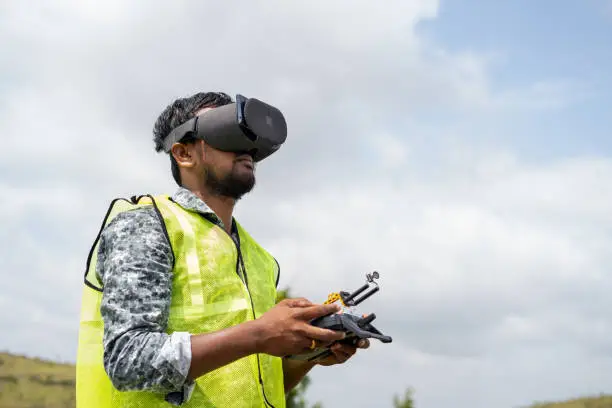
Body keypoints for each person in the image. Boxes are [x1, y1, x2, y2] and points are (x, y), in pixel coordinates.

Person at [75, 91, 369, 408]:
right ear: (184, 153)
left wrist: (309, 353)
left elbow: (252, 385)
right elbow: (128, 361)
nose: (246, 148)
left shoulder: (259, 258)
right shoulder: (148, 226)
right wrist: (259, 334)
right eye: (226, 132)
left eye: (249, 138)